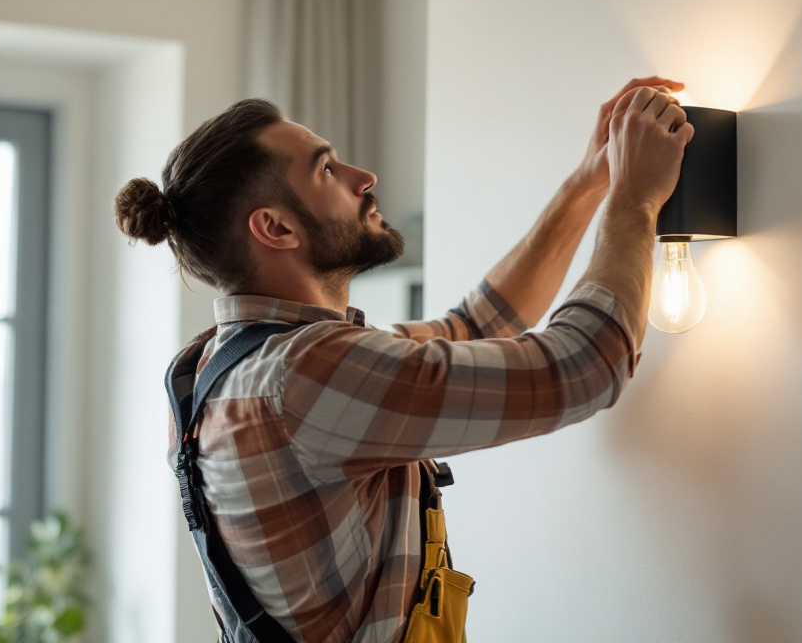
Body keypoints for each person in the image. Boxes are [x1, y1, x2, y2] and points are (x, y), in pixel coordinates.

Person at [112, 77, 693, 643]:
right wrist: (636, 200)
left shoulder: (219, 365)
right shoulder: (302, 375)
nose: (364, 178)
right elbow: (586, 367)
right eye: (327, 169)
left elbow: (472, 327)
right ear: (275, 227)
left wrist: (588, 182)